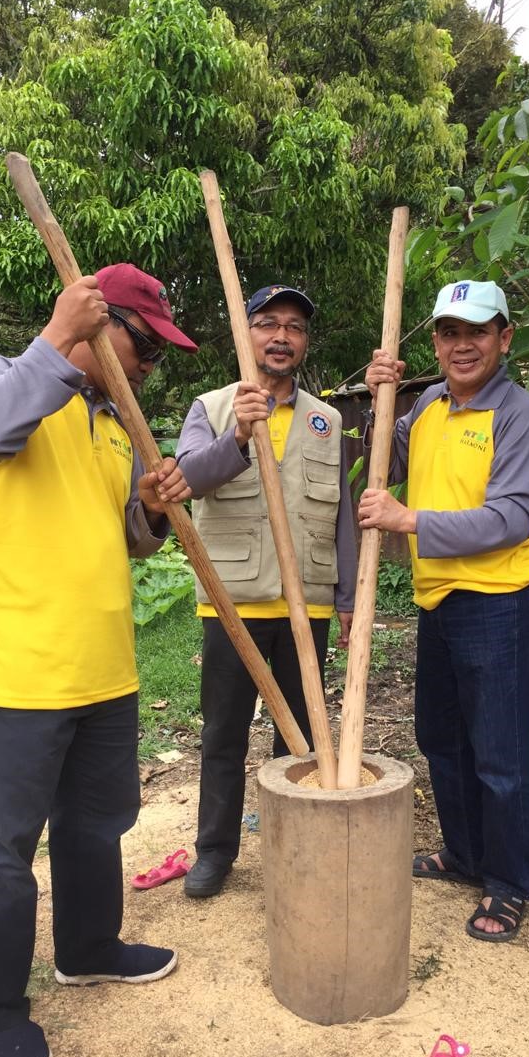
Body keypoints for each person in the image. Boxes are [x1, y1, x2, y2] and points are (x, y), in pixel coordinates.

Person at [0, 263, 197, 1057]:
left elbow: (125, 535)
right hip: (18, 671)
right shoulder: (2, 378)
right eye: (144, 346)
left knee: (97, 826)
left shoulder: (117, 424)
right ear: (97, 324)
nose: (151, 367)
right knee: (3, 847)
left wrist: (154, 510)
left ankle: (88, 946)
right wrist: (57, 335)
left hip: (105, 668)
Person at [359, 279, 529, 943]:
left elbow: (511, 516)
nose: (461, 344)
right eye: (449, 332)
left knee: (499, 754)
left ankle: (509, 882)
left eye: (477, 331)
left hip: (499, 600)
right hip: (439, 599)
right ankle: (467, 853)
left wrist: (408, 519)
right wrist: (379, 399)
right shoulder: (431, 407)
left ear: (504, 338)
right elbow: (386, 456)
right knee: (442, 740)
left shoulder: (518, 414)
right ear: (437, 344)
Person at [176, 284, 357, 898]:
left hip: (309, 607)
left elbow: (342, 516)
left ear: (305, 343)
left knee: (300, 741)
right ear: (246, 334)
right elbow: (183, 483)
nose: (281, 336)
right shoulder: (212, 408)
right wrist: (236, 440)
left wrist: (352, 601)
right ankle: (215, 854)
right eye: (267, 324)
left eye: (295, 327)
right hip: (233, 604)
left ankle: (293, 850)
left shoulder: (327, 419)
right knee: (223, 735)